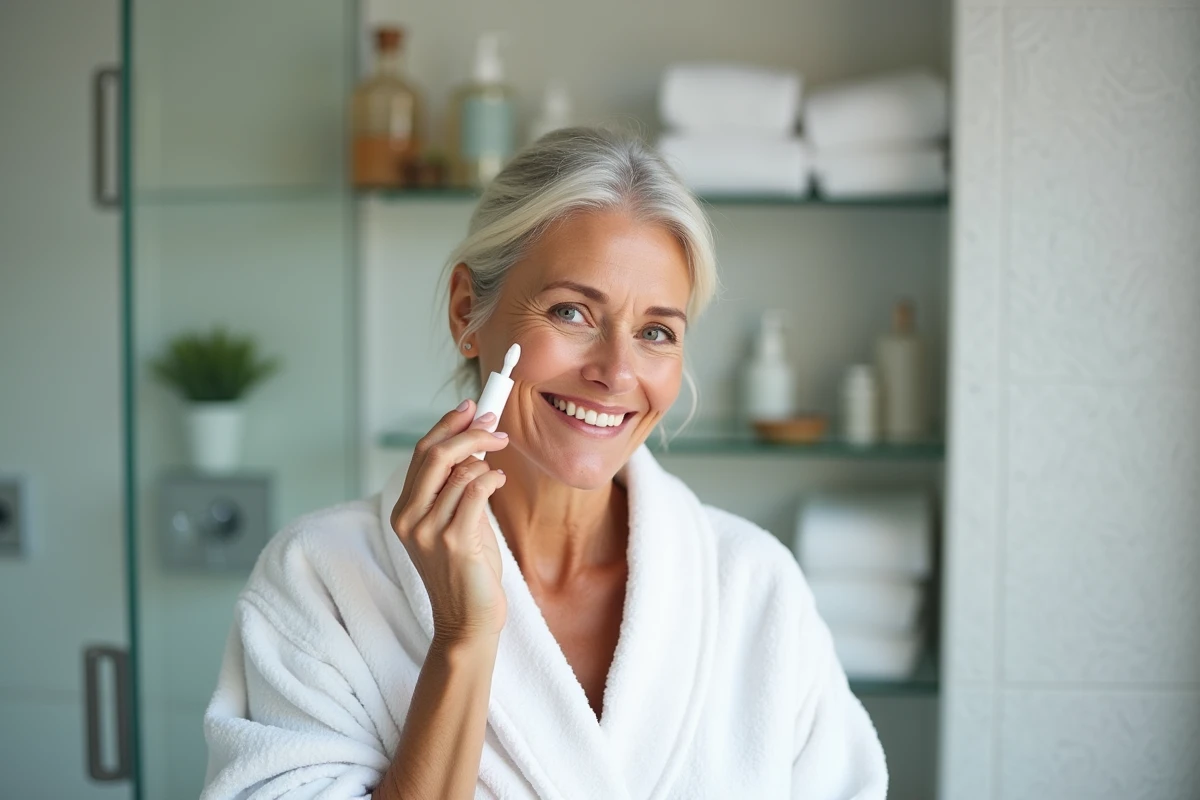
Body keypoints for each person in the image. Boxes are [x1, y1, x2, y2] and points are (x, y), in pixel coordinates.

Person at [200, 126, 887, 800]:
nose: (617, 372)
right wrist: (463, 643)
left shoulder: (754, 586)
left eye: (656, 332)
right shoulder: (321, 582)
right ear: (468, 310)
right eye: (572, 312)